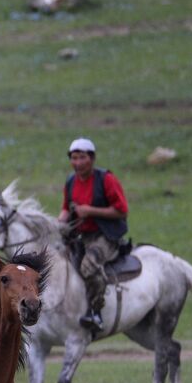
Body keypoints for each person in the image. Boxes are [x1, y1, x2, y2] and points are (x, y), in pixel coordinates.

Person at [58, 137, 129, 332]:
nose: (78, 163)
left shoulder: (106, 179)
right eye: (74, 158)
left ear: (92, 158)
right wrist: (57, 226)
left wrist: (91, 211)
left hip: (105, 236)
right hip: (81, 236)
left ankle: (95, 312)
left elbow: (122, 210)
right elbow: (65, 209)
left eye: (82, 158)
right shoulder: (71, 181)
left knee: (88, 268)